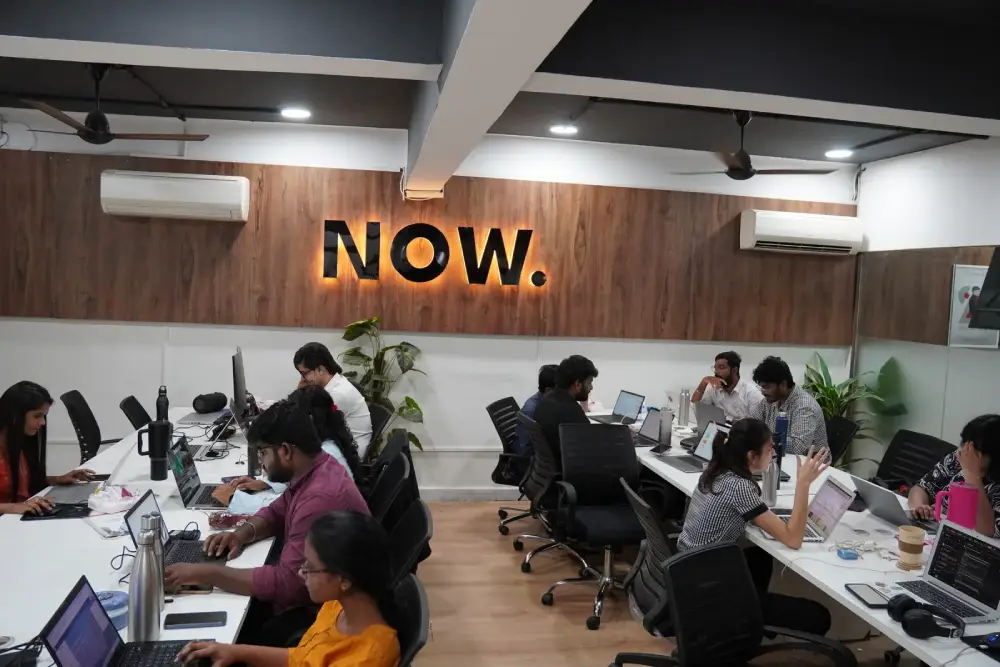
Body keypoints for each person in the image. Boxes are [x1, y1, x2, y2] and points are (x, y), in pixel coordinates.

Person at [164, 400, 370, 642]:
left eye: (262, 452)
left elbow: (287, 585)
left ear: (285, 450)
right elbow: (277, 511)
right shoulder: (316, 467)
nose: (260, 462)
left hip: (322, 616)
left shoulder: (319, 497)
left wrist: (205, 573)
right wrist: (240, 534)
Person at [178, 511, 400, 667]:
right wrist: (235, 651)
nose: (301, 573)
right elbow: (303, 659)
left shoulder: (369, 657)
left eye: (311, 568)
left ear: (344, 580)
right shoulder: (338, 605)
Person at [677, 418, 832, 635]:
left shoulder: (716, 470)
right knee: (819, 616)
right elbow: (793, 539)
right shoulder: (739, 487)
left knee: (760, 557)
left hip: (688, 570)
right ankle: (741, 618)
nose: (774, 455)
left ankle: (746, 624)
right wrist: (803, 483)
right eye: (770, 449)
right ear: (751, 456)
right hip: (709, 584)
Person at [214, 386, 363, 511]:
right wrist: (266, 483)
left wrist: (233, 499)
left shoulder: (327, 454)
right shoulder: (324, 445)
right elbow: (295, 488)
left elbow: (292, 507)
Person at [0, 381, 95, 516]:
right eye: (37, 416)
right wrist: (15, 508)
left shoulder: (19, 443)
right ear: (15, 415)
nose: (43, 422)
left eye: (43, 416)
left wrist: (57, 479)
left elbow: (26, 481)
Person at [908, 414, 1000, 538]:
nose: (965, 451)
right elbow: (921, 488)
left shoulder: (970, 464)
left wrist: (972, 476)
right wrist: (919, 506)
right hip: (934, 532)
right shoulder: (957, 459)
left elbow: (987, 531)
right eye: (965, 443)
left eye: (974, 449)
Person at [295, 342, 373, 459]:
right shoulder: (333, 385)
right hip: (340, 445)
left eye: (304, 373)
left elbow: (310, 429)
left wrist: (298, 395)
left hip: (350, 455)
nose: (303, 379)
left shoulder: (337, 394)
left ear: (320, 370)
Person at [749, 356, 828, 455]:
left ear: (783, 384)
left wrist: (762, 438)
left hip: (810, 464)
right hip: (779, 457)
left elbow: (798, 447)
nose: (763, 392)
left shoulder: (805, 406)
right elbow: (750, 423)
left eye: (767, 387)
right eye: (761, 387)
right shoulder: (769, 400)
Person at [531, 355, 598, 462]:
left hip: (549, 469)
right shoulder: (571, 411)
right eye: (589, 382)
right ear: (577, 384)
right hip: (571, 471)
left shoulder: (546, 401)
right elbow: (590, 448)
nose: (591, 387)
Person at [692, 351, 764, 421]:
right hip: (720, 431)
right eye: (715, 368)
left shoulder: (752, 393)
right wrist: (702, 384)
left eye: (721, 367)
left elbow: (757, 425)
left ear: (734, 370)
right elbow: (697, 410)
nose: (716, 372)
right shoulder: (714, 388)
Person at [516, 364, 558, 456]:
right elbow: (526, 450)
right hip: (530, 462)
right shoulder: (532, 410)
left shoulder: (545, 402)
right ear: (548, 390)